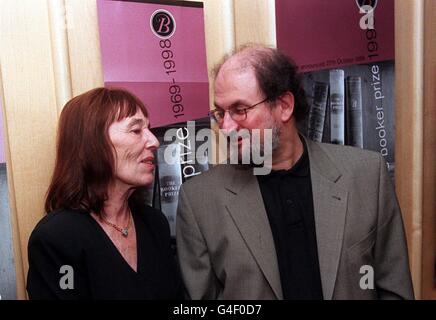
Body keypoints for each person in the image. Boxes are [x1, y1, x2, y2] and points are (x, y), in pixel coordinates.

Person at [176, 44, 414, 299]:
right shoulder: (199, 201)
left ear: (284, 106)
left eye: (239, 110)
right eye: (220, 113)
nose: (226, 127)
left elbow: (394, 287)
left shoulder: (366, 174)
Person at [27, 87, 184, 299]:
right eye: (136, 130)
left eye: (149, 129)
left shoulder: (154, 223)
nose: (154, 142)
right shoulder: (57, 238)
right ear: (94, 143)